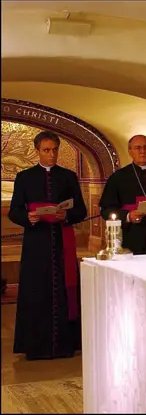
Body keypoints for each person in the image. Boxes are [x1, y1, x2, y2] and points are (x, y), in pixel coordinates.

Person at [9, 130, 87, 360]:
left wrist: (67, 215)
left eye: (54, 150)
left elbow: (80, 210)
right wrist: (28, 217)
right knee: (36, 292)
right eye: (46, 150)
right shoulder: (24, 177)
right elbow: (15, 211)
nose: (51, 154)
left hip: (63, 241)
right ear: (37, 151)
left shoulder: (68, 176)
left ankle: (65, 345)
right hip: (36, 244)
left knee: (64, 289)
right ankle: (36, 346)